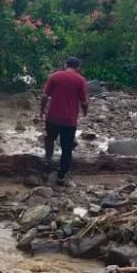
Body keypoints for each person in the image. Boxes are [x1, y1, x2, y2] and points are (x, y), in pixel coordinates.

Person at [39, 57, 89, 185]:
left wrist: (42, 110)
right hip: (69, 120)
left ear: (65, 65)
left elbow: (45, 96)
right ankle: (62, 175)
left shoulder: (55, 76)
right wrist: (85, 112)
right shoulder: (80, 80)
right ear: (78, 68)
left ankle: (47, 161)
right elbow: (84, 101)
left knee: (50, 138)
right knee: (67, 148)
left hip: (53, 117)